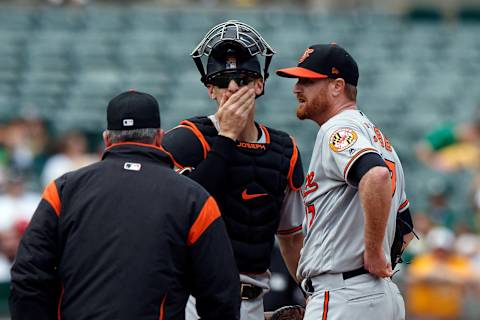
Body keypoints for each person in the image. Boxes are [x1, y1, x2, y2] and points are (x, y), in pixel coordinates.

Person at [9, 90, 240, 320]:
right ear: (159, 138)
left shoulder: (63, 190)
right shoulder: (194, 197)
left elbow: (28, 277)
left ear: (107, 138)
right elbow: (221, 295)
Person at [161, 20, 305, 320]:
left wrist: (310, 291)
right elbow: (180, 215)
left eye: (243, 78)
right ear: (211, 89)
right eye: (223, 80)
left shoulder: (284, 150)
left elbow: (291, 237)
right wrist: (225, 137)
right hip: (195, 298)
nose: (233, 87)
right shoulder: (187, 139)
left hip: (254, 300)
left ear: (259, 85)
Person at [276, 43, 415, 320]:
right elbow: (406, 227)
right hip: (377, 295)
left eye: (307, 80)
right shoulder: (380, 140)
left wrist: (374, 253)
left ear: (337, 86)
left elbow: (375, 176)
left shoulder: (337, 128)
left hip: (346, 294)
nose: (296, 88)